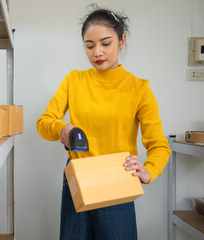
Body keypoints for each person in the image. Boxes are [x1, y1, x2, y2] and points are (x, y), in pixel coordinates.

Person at [36, 5, 171, 240]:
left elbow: (159, 145)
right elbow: (44, 122)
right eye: (89, 46)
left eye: (105, 43)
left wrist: (148, 171)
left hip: (118, 179)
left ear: (121, 41)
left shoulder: (139, 89)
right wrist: (63, 128)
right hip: (78, 178)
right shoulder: (74, 80)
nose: (97, 52)